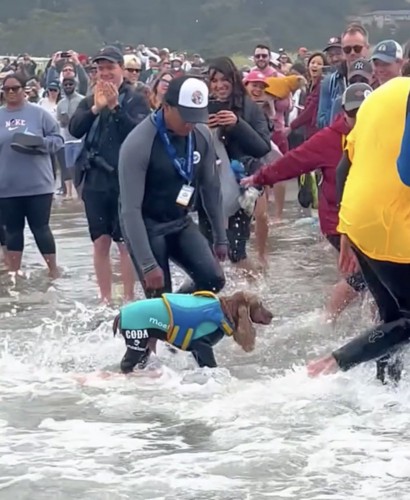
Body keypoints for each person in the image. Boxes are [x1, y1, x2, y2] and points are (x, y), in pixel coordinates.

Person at [308, 77, 410, 383]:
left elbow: (343, 168)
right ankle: (335, 362)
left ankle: (385, 392)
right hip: (393, 223)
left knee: (391, 317)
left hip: (357, 217)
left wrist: (346, 232)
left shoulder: (382, 95)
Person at [241, 83, 371, 320]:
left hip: (368, 221)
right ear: (343, 111)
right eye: (354, 113)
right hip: (337, 222)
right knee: (363, 276)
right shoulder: (329, 138)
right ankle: (325, 320)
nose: (360, 118)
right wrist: (259, 178)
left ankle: (372, 324)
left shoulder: (381, 134)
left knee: (372, 282)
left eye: (365, 111)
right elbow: (292, 162)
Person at [118, 75, 228, 298]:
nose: (190, 124)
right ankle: (153, 323)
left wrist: (220, 237)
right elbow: (130, 210)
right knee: (159, 297)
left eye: (196, 118)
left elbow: (211, 189)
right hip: (146, 227)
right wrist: (148, 264)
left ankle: (180, 310)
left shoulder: (200, 135)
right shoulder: (138, 143)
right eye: (186, 117)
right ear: (166, 106)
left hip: (179, 222)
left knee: (213, 279)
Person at [69, 46, 150, 304]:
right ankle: (105, 299)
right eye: (100, 69)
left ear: (121, 70)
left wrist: (115, 107)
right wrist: (95, 108)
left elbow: (138, 134)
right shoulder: (90, 97)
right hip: (94, 179)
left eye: (110, 68)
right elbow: (74, 129)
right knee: (100, 240)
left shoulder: (136, 98)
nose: (105, 74)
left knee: (125, 242)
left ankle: (128, 298)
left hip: (123, 179)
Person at [0, 73, 64, 277]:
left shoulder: (39, 114)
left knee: (41, 228)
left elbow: (58, 140)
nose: (11, 92)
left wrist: (39, 142)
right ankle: (14, 273)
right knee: (13, 231)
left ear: (24, 90)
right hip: (7, 186)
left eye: (15, 88)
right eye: (6, 89)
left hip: (38, 185)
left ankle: (53, 270)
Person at [114, 291, 273, 372]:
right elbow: (200, 344)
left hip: (141, 318)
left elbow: (198, 346)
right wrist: (214, 373)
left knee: (141, 365)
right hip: (138, 319)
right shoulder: (214, 321)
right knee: (129, 366)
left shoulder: (216, 313)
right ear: (243, 311)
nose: (267, 313)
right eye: (259, 308)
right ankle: (119, 381)